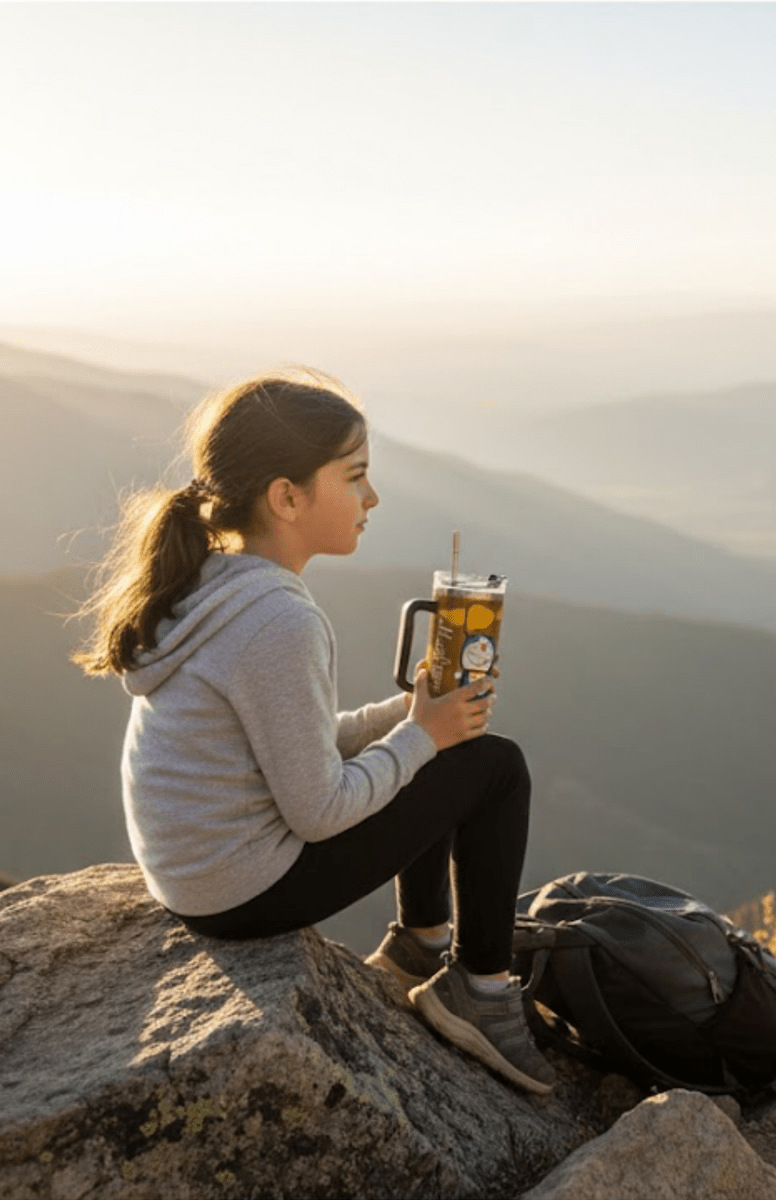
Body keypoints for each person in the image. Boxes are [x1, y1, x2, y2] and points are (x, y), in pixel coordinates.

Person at [72, 369, 555, 1095]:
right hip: (242, 894)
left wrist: (408, 716)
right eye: (355, 477)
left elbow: (288, 743)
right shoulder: (280, 620)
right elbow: (318, 809)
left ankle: (422, 948)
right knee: (494, 767)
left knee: (442, 753)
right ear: (287, 497)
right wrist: (424, 737)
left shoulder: (217, 582)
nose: (372, 498)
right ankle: (479, 993)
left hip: (196, 876)